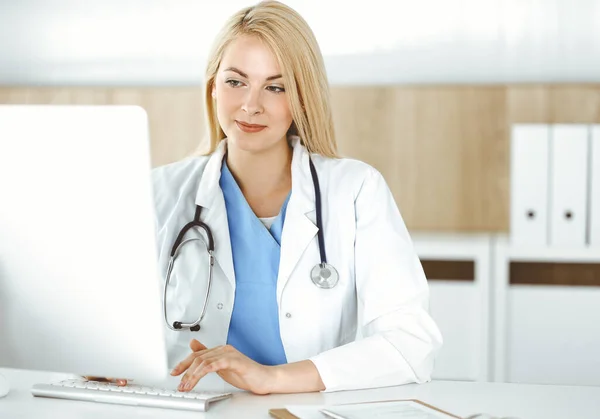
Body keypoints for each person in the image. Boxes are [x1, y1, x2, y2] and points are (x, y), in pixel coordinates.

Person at [152, 0, 442, 394]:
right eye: (236, 81)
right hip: (186, 406)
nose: (250, 105)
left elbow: (410, 346)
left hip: (301, 409)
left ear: (302, 97)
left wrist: (271, 379)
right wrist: (104, 363)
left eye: (276, 86)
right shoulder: (161, 192)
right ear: (213, 87)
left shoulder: (355, 190)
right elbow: (112, 321)